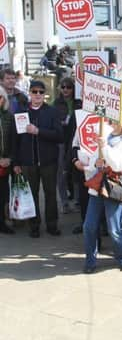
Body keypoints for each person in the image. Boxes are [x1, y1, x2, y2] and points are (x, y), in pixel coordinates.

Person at [82, 112, 122, 274]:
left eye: (114, 120)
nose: (110, 122)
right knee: (89, 226)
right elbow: (95, 161)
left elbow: (118, 164)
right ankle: (90, 260)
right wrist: (94, 162)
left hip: (115, 187)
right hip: (98, 186)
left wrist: (104, 148)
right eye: (110, 119)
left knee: (114, 228)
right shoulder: (105, 137)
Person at [12, 80, 63, 238]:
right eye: (34, 92)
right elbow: (15, 141)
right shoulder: (21, 112)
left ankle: (52, 224)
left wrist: (39, 131)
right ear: (30, 93)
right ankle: (34, 225)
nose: (38, 95)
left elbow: (59, 136)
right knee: (31, 194)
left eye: (41, 92)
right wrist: (16, 162)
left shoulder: (52, 111)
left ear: (45, 94)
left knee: (50, 194)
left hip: (48, 161)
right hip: (28, 161)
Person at [53, 77, 81, 214]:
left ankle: (77, 201)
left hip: (76, 140)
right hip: (61, 141)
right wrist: (60, 124)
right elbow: (52, 121)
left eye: (69, 87)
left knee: (76, 171)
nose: (65, 90)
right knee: (61, 173)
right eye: (63, 87)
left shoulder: (79, 103)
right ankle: (64, 203)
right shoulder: (56, 103)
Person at [0, 86, 15, 234]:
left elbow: (13, 140)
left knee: (4, 194)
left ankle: (2, 223)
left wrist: (9, 158)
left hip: (5, 164)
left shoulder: (9, 116)